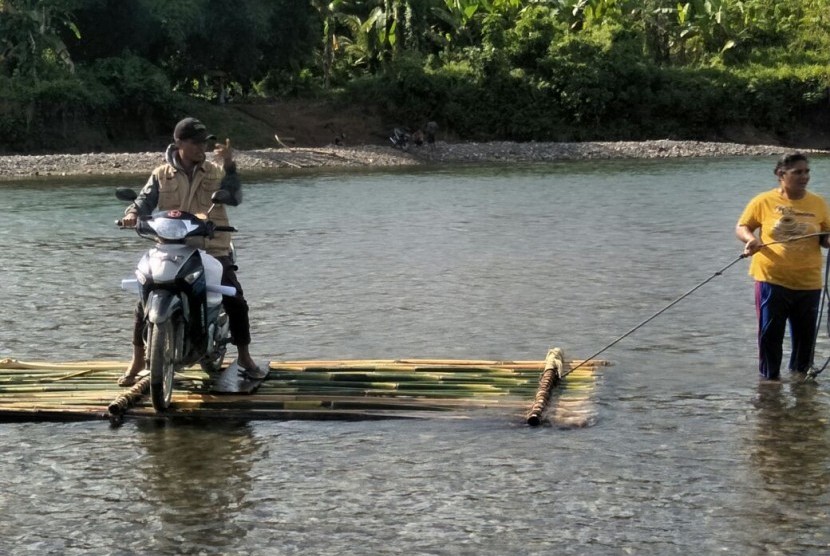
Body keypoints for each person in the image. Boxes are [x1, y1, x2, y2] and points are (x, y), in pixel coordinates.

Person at [118, 117, 260, 386]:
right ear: (179, 143)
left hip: (212, 247)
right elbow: (143, 200)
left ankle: (244, 357)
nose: (201, 148)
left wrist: (230, 165)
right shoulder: (161, 174)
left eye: (204, 143)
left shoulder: (216, 171)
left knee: (235, 298)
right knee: (143, 299)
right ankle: (137, 360)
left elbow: (235, 195)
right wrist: (132, 214)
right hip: (170, 248)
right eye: (195, 143)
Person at [735, 152, 830, 380]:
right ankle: (770, 387)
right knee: (770, 337)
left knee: (805, 342)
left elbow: (825, 236)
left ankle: (801, 389)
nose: (804, 176)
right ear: (781, 174)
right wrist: (750, 239)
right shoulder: (764, 201)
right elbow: (742, 226)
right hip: (772, 279)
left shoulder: (817, 203)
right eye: (798, 172)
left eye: (807, 172)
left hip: (808, 283)